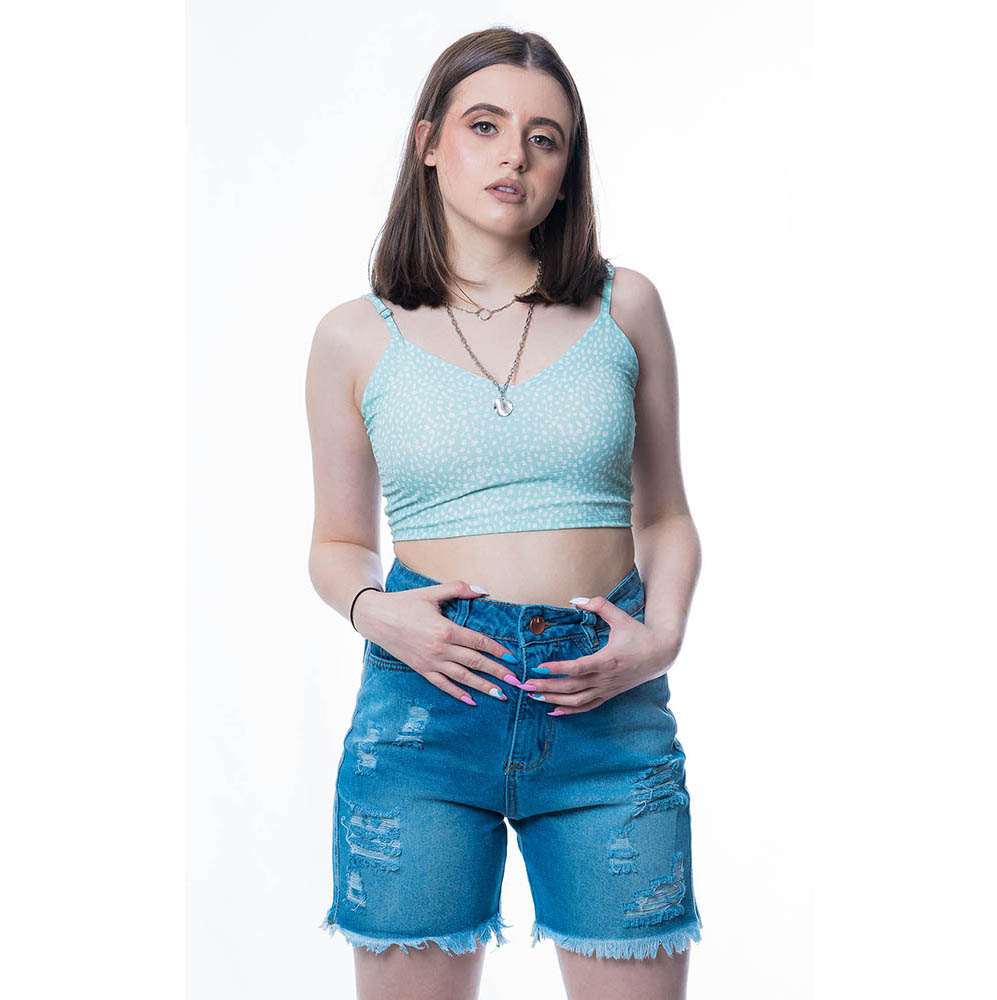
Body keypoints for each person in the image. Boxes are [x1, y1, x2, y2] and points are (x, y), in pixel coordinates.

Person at [305, 27, 703, 1000]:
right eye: (484, 126)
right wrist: (376, 612)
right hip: (425, 709)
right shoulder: (354, 336)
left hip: (607, 707)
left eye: (543, 138)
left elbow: (667, 517)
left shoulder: (626, 308)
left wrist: (661, 638)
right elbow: (338, 543)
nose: (513, 156)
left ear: (566, 171)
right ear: (428, 142)